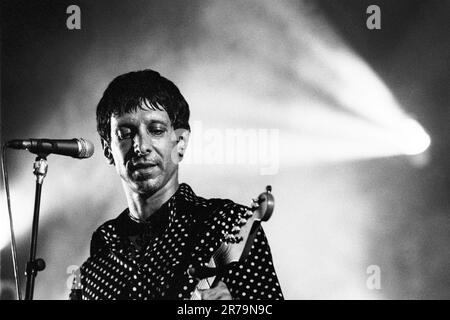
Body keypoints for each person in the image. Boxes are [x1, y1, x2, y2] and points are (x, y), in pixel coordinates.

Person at [70, 69, 283, 300]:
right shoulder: (97, 259)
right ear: (106, 148)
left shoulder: (226, 223)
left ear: (180, 142)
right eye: (125, 133)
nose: (141, 146)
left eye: (156, 130)